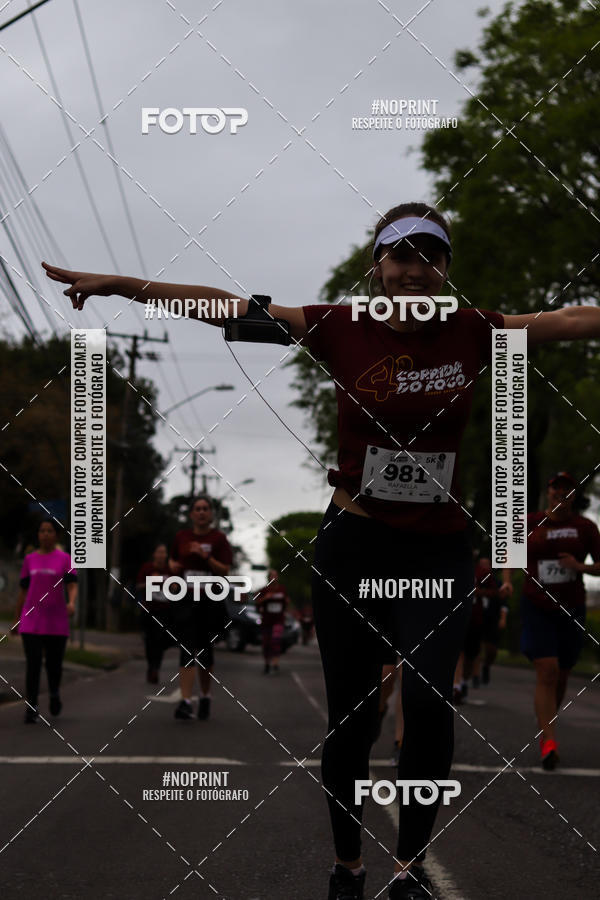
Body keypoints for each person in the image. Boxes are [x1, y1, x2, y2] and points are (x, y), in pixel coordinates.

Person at [41, 202, 600, 899]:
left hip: (437, 552)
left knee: (428, 704)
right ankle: (348, 866)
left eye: (430, 258)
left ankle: (406, 869)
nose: (414, 271)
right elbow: (226, 307)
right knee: (354, 719)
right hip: (354, 548)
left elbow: (570, 321)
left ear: (446, 271)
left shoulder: (475, 330)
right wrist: (123, 285)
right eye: (401, 257)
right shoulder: (340, 327)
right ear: (378, 267)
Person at [504, 472, 600, 770]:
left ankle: (546, 722)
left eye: (567, 489)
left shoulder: (585, 527)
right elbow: (510, 553)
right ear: (548, 493)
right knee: (547, 670)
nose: (561, 493)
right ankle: (549, 740)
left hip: (571, 608)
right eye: (556, 487)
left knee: (561, 675)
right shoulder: (531, 522)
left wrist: (578, 566)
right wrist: (507, 582)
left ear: (574, 495)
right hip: (537, 605)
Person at [169, 496, 233, 720]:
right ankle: (185, 702)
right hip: (186, 599)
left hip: (210, 601)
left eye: (206, 509)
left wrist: (206, 556)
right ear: (191, 515)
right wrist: (172, 566)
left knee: (205, 652)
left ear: (211, 514)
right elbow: (173, 562)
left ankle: (205, 696)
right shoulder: (181, 537)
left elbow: (224, 570)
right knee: (186, 649)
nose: (202, 512)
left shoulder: (219, 539)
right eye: (198, 509)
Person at [13, 519, 77, 723]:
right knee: (33, 664)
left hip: (56, 621)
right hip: (31, 620)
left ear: (56, 535)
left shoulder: (65, 559)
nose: (45, 534)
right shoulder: (29, 560)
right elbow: (23, 590)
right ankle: (31, 707)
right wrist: (16, 620)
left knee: (54, 665)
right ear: (38, 535)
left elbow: (72, 584)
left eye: (50, 531)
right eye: (42, 531)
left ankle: (54, 694)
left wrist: (72, 602)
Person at [135, 543, 173, 684]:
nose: (162, 555)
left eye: (164, 552)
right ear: (154, 554)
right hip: (148, 609)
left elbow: (177, 587)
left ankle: (156, 668)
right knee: (149, 641)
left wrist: (171, 583)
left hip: (164, 610)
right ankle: (151, 667)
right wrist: (151, 582)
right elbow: (138, 586)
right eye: (159, 552)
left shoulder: (170, 569)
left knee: (159, 641)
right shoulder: (147, 568)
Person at [255, 568, 290, 674]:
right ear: (268, 577)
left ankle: (275, 663)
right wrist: (265, 598)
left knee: (276, 640)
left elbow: (286, 602)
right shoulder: (264, 590)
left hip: (278, 620)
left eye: (276, 575)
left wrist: (287, 601)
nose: (274, 578)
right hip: (267, 620)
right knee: (266, 643)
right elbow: (257, 602)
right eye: (272, 576)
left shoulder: (282, 589)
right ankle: (267, 663)